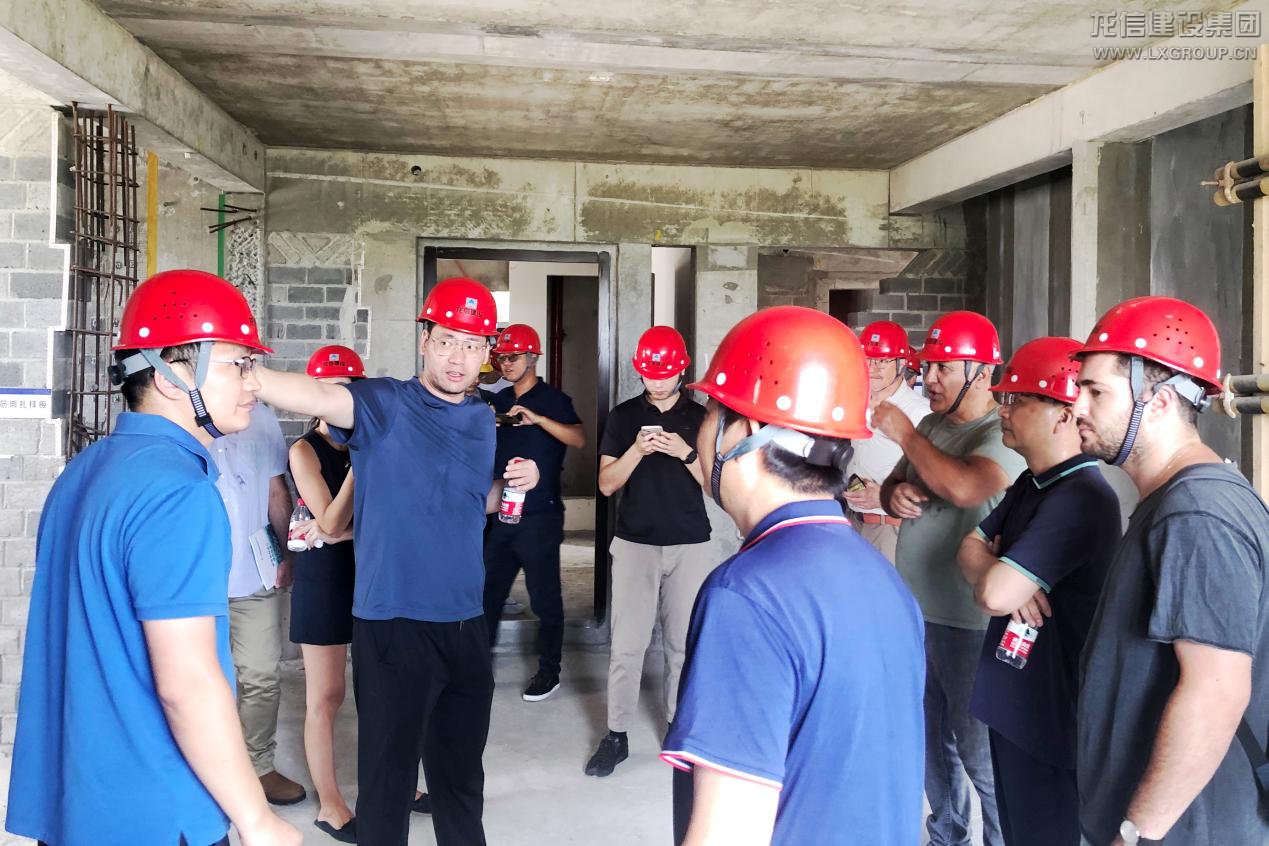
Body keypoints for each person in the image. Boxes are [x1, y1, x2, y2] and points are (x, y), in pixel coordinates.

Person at [5, 269, 300, 846]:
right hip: (158, 812)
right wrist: (257, 819)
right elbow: (187, 684)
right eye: (238, 364)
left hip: (77, 803)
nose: (253, 383)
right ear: (169, 375)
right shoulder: (179, 493)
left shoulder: (83, 472)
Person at [251, 277, 541, 846]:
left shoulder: (480, 418)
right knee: (387, 787)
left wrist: (514, 486)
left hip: (465, 621)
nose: (458, 357)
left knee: (461, 782)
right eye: (447, 340)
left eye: (473, 344)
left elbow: (467, 497)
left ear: (488, 352)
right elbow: (316, 397)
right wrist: (243, 372)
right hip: (393, 625)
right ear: (425, 339)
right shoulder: (383, 404)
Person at [662, 306, 925, 846]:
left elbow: (727, 834)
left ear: (745, 431)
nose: (702, 430)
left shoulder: (747, 595)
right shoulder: (886, 582)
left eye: (711, 413)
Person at [1071, 296, 1268, 846]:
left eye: (1096, 392)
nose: (1076, 406)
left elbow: (1216, 691)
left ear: (1157, 402)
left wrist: (1137, 833)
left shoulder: (1197, 513)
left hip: (1187, 828)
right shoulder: (1178, 500)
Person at [955, 337, 1121, 846]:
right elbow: (968, 548)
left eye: (1017, 399)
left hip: (1053, 714)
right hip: (1019, 700)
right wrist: (999, 570)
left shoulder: (1081, 496)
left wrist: (1000, 576)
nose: (1002, 411)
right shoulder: (1034, 482)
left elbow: (994, 596)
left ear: (1063, 415)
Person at [878, 310, 1024, 846]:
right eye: (928, 367)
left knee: (979, 753)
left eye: (943, 367)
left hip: (970, 624)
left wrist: (902, 432)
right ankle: (947, 834)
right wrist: (894, 493)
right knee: (930, 745)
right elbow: (893, 483)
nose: (930, 378)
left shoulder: (1001, 433)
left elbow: (966, 487)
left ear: (981, 372)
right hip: (917, 615)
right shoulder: (932, 426)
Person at [585, 325, 712, 778]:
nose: (657, 382)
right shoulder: (623, 417)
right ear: (639, 371)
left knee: (681, 645)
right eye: (649, 374)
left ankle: (679, 729)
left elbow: (716, 487)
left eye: (665, 374)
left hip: (689, 544)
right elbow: (606, 484)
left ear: (682, 371)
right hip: (635, 542)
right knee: (627, 645)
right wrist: (637, 451)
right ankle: (616, 735)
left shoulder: (701, 418)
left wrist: (685, 453)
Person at [210, 392, 306, 808]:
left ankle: (257, 766)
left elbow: (275, 492)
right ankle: (201, 770)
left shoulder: (262, 418)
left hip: (253, 574)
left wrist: (286, 554)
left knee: (262, 675)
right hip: (195, 581)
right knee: (199, 679)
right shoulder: (182, 413)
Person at [483, 323, 585, 701]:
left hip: (540, 515)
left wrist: (538, 419)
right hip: (500, 513)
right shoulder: (497, 400)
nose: (507, 364)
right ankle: (478, 668)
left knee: (545, 598)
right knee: (487, 595)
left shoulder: (553, 400)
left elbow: (578, 438)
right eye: (502, 358)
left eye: (514, 357)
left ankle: (549, 671)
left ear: (533, 357)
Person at [287, 344, 364, 843]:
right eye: (331, 390)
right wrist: (362, 468)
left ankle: (396, 782)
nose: (339, 399)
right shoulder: (303, 451)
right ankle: (330, 804)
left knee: (383, 690)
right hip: (323, 582)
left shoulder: (366, 443)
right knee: (326, 695)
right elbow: (331, 522)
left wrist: (341, 532)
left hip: (371, 577)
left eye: (348, 390)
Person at [843, 320, 931, 562]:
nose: (873, 368)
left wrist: (883, 495)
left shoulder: (920, 413)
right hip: (852, 521)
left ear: (901, 364)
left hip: (890, 528)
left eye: (883, 361)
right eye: (868, 359)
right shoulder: (855, 403)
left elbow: (938, 483)